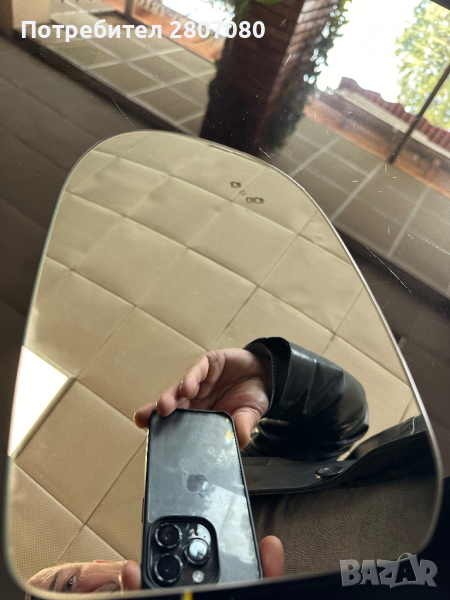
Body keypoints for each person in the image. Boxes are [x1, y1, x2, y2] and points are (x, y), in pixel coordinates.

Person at [27, 337, 369, 593]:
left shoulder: (225, 482)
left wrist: (271, 376)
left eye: (69, 586)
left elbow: (344, 423)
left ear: (104, 564)